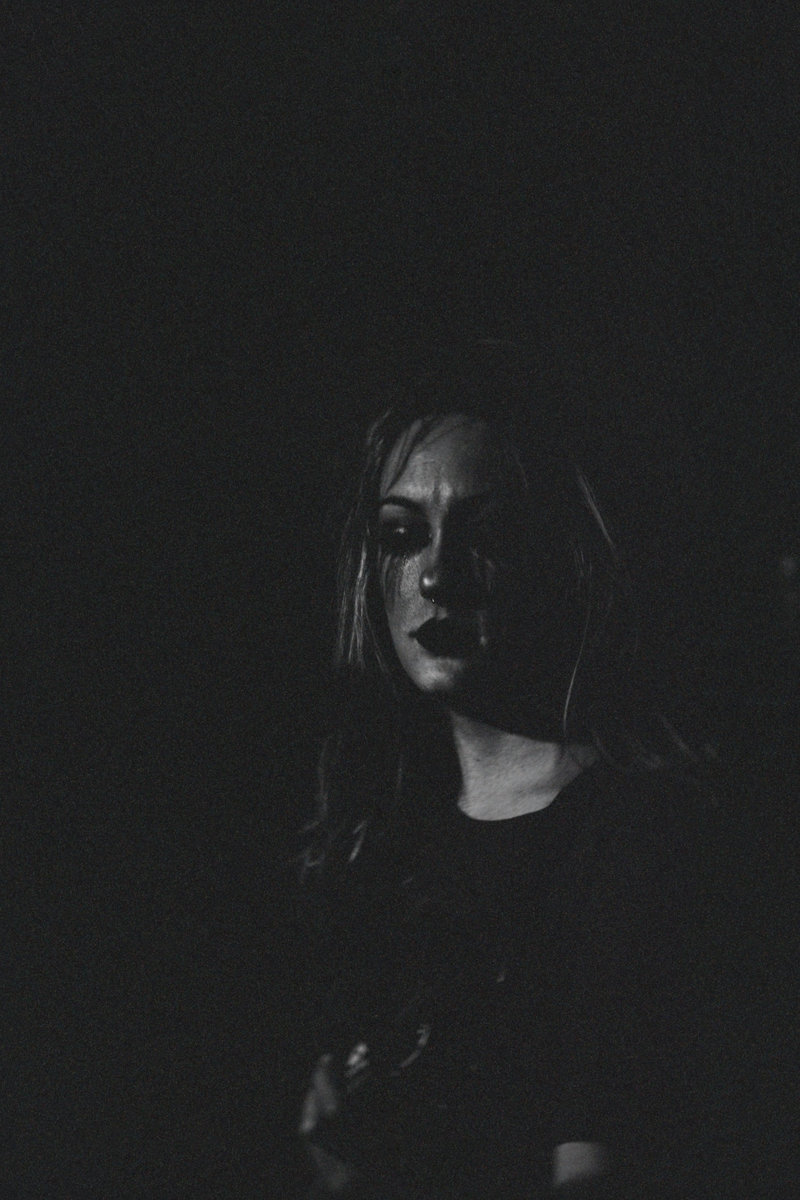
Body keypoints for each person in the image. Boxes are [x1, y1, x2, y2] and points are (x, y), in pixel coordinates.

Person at [293, 343, 719, 1199]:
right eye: (401, 535)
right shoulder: (377, 839)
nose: (436, 575)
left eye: (485, 535)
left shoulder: (634, 836)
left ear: (561, 558)